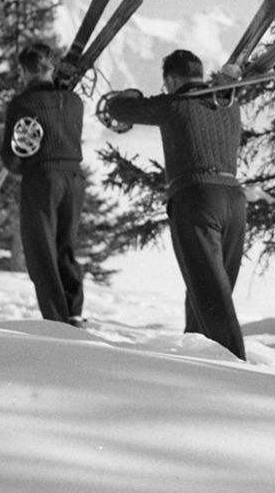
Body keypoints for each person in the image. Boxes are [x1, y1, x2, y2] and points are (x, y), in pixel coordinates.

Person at [103, 49, 249, 360]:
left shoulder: (174, 104)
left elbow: (119, 109)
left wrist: (128, 95)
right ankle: (198, 356)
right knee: (212, 290)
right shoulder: (228, 104)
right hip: (235, 199)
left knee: (210, 294)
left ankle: (236, 367)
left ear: (170, 80)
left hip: (196, 197)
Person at [0, 41, 87, 326]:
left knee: (41, 251)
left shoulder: (21, 104)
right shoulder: (74, 101)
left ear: (24, 71)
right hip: (74, 179)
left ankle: (55, 318)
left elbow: (12, 159)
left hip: (42, 180)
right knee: (66, 247)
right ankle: (73, 310)